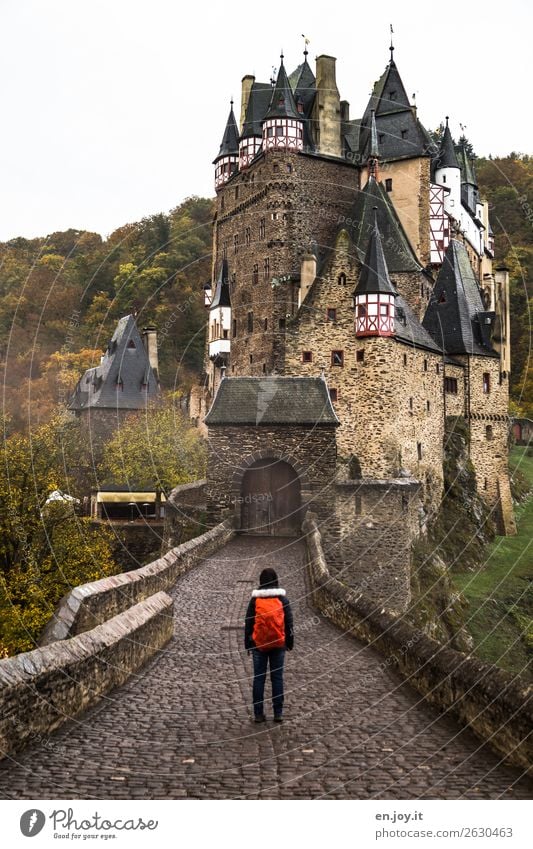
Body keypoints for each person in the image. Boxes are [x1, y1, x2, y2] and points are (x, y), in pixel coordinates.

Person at [244, 567, 293, 723]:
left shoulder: (255, 600)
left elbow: (249, 622)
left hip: (259, 644)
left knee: (259, 678)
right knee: (277, 678)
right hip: (278, 644)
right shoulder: (282, 600)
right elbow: (289, 623)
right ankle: (278, 713)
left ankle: (259, 714)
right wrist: (289, 642)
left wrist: (248, 643)